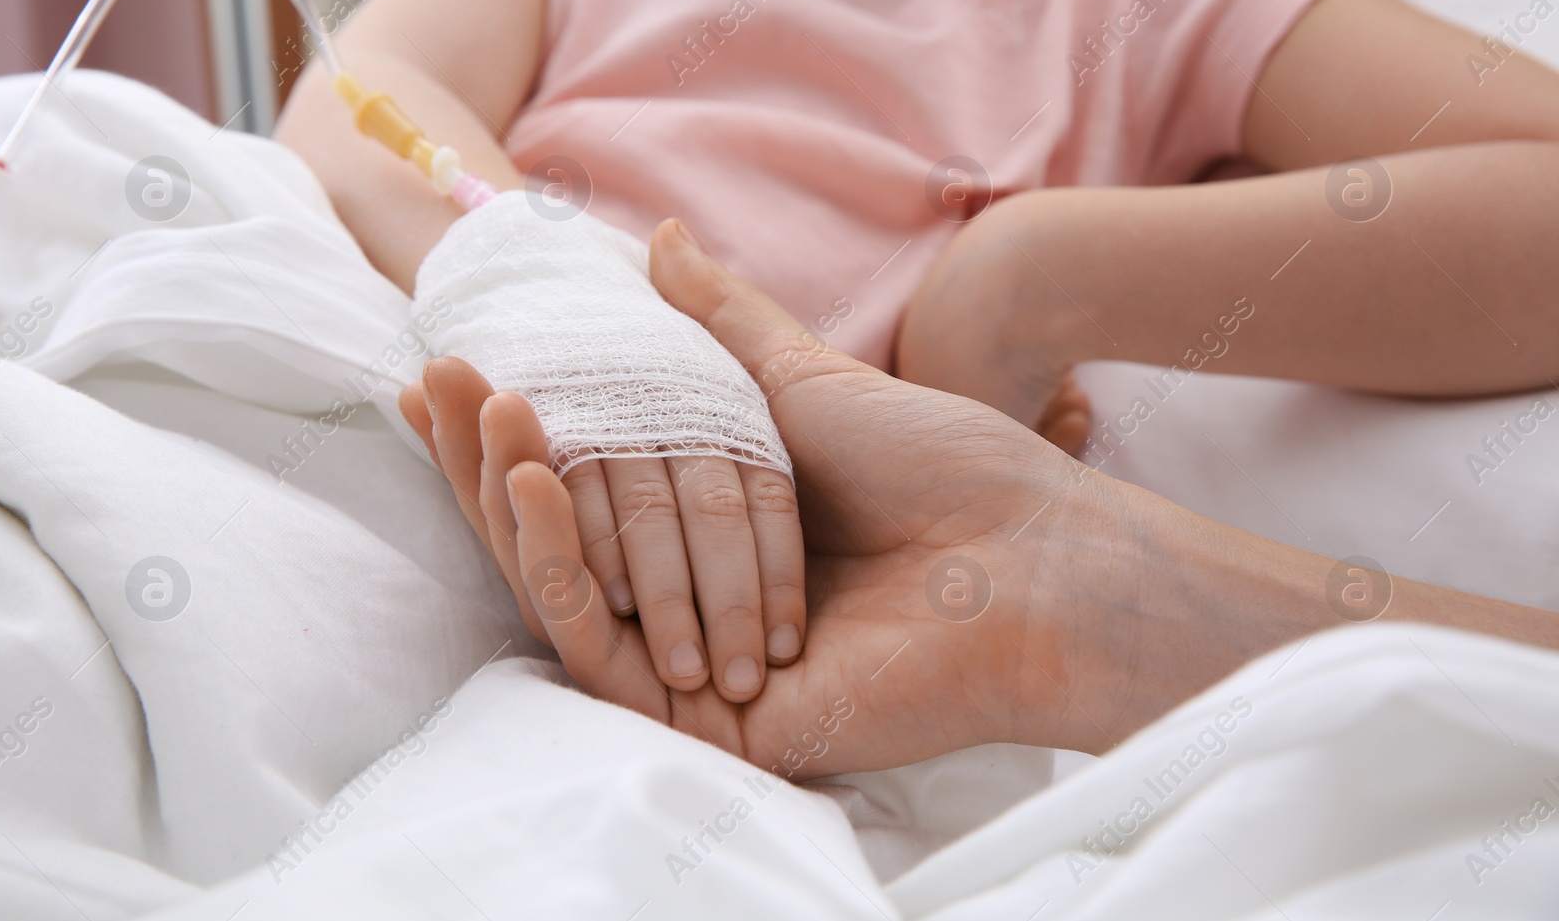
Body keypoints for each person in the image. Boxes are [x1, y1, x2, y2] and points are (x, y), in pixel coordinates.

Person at [277, 0, 1559, 703]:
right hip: (440, 415)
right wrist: (573, 306)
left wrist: (1028, 276)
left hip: (763, 607)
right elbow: (354, 96)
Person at [399, 220, 1559, 777]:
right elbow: (374, 120)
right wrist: (552, 276)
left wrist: (1028, 278)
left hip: (879, 610)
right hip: (660, 617)